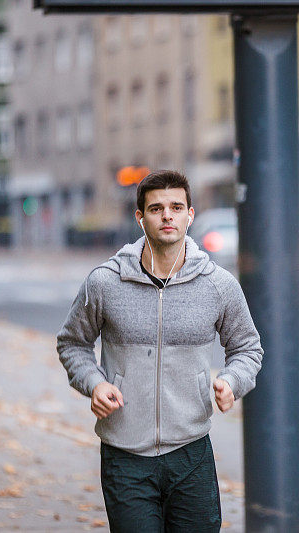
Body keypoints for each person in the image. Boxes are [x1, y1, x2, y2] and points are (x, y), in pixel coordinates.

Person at [56, 170, 263, 532]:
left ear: (189, 215)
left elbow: (247, 347)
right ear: (140, 218)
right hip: (125, 456)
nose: (167, 215)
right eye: (156, 208)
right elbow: (73, 343)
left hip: (191, 451)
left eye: (175, 207)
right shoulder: (105, 282)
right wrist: (94, 383)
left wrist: (232, 381)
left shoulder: (218, 285)